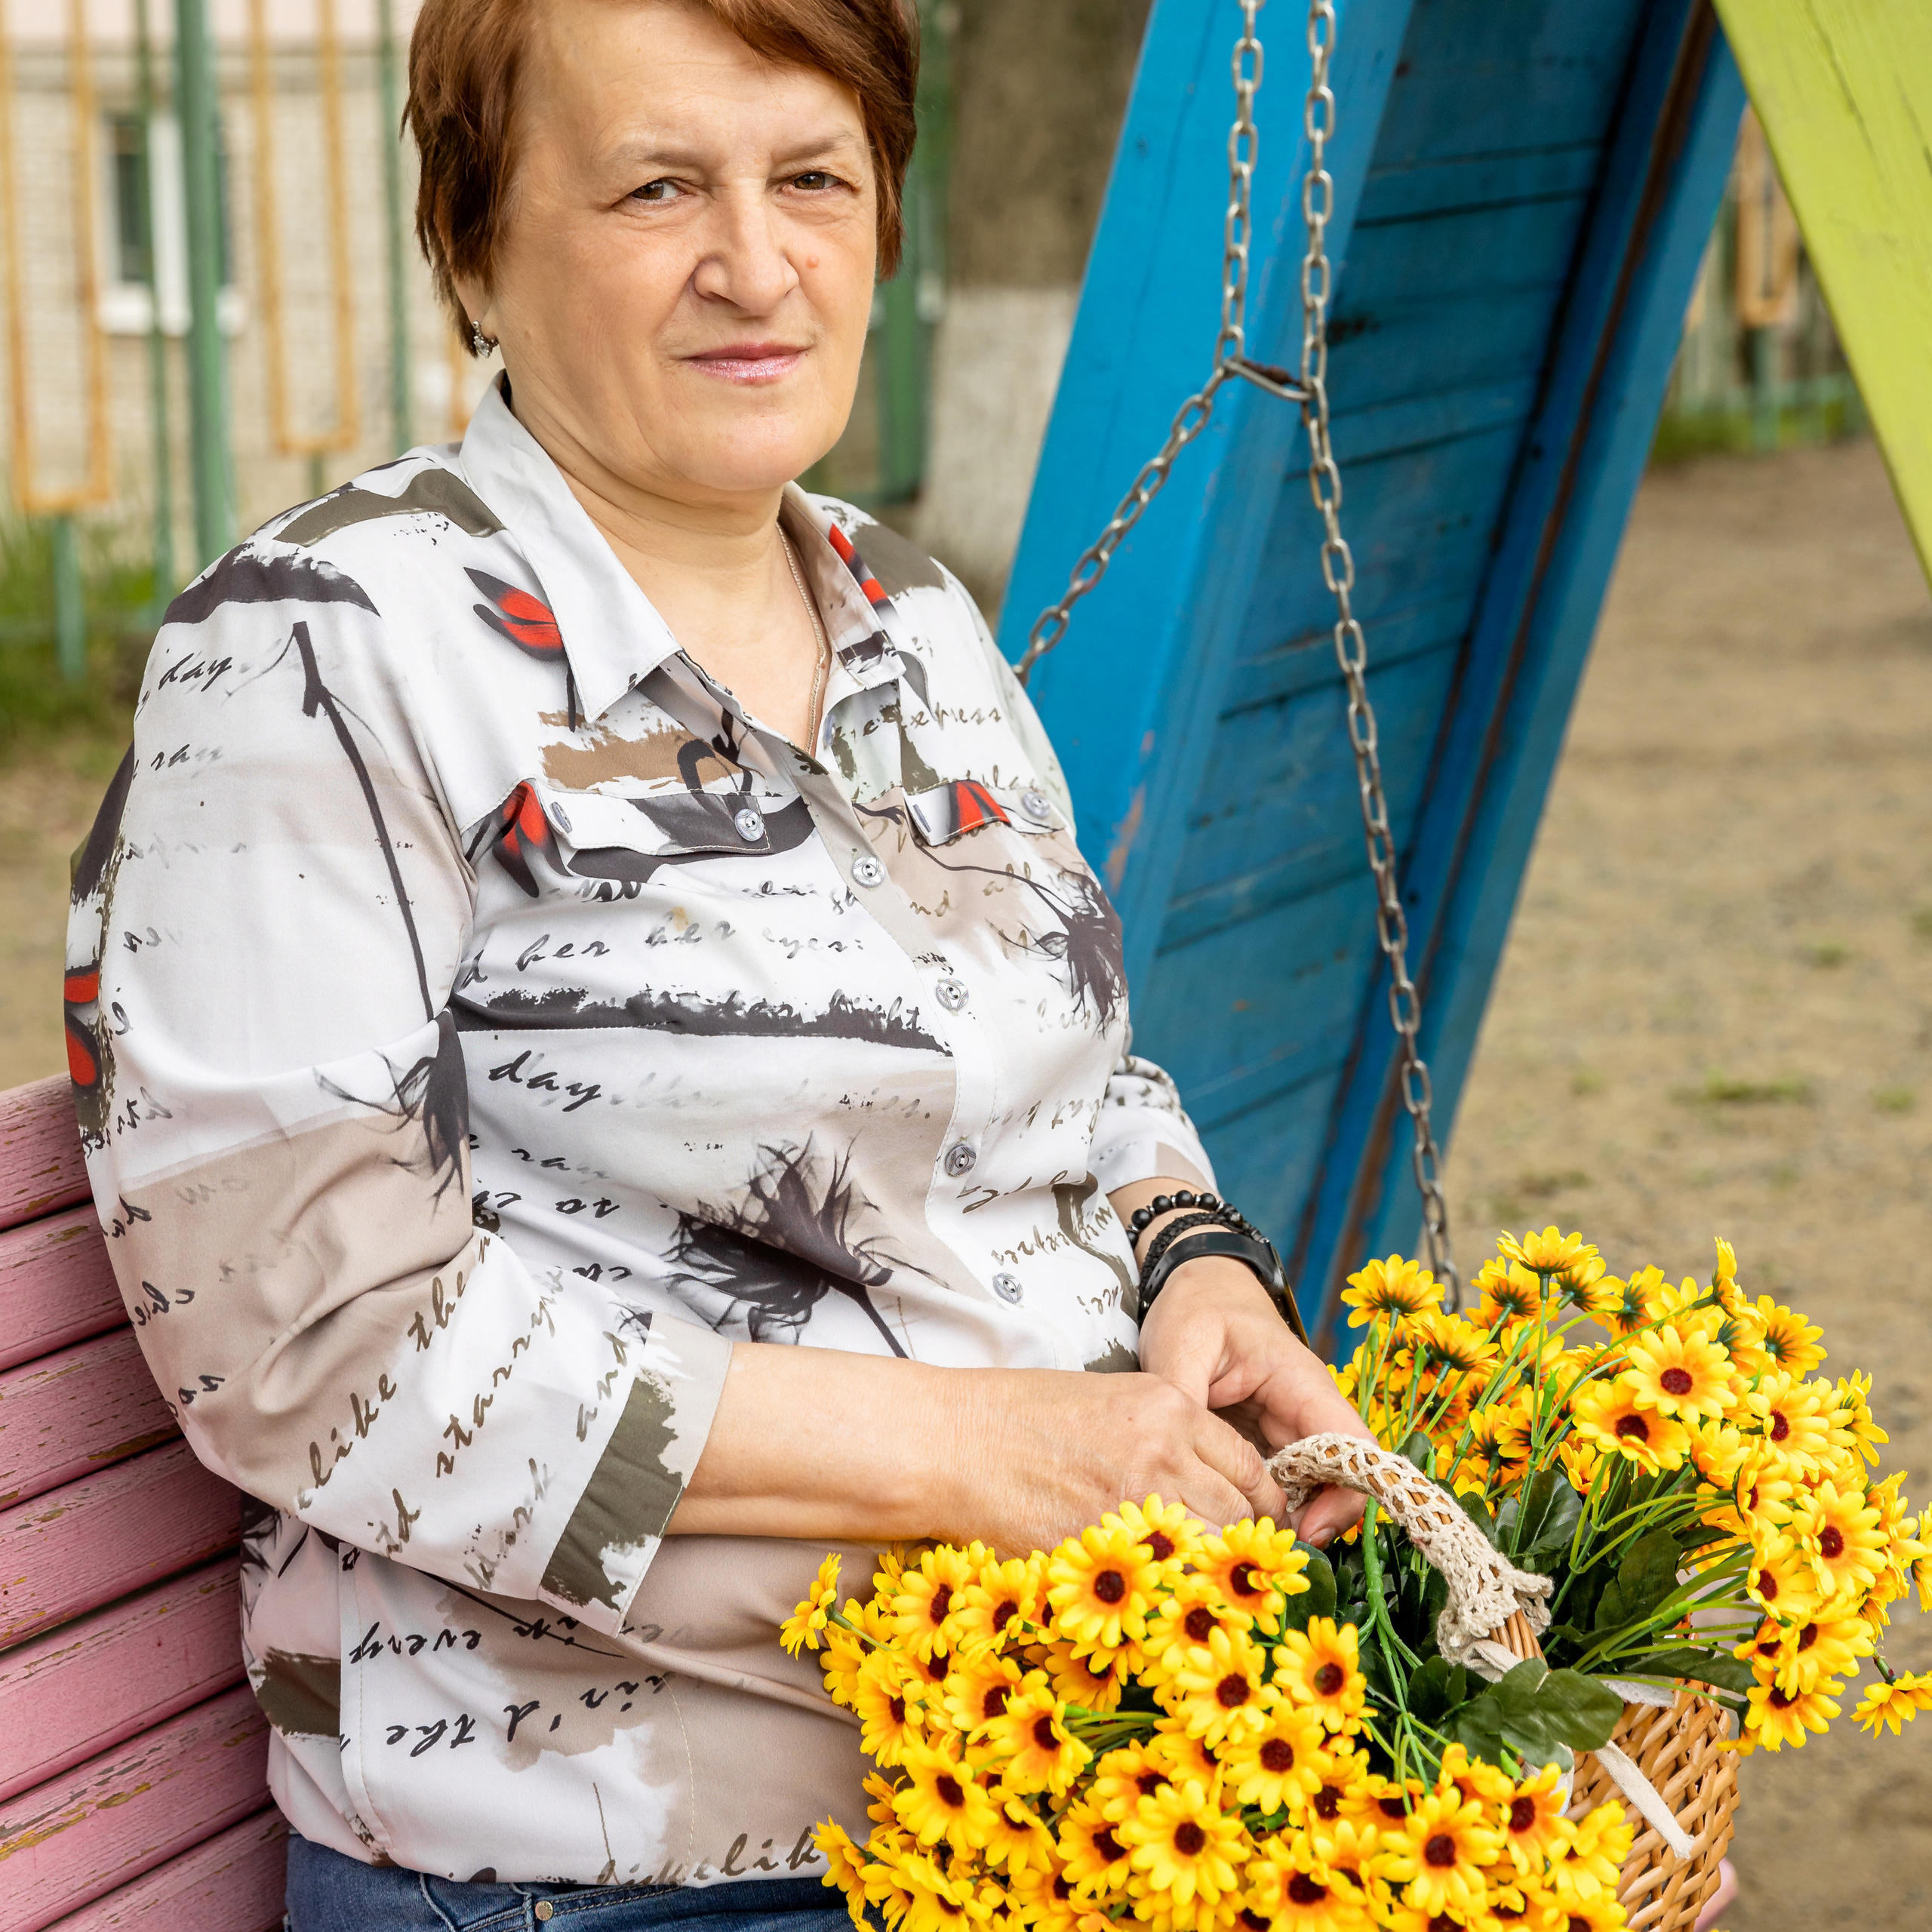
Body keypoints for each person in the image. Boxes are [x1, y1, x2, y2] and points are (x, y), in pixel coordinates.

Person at [64, 2, 1367, 1925]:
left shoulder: (906, 612)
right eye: (656, 185)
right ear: (474, 246)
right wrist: (989, 1457)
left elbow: (1075, 1068)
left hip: (1065, 1775)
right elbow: (311, 1343)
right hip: (627, 1847)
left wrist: (1191, 1265)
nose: (755, 265)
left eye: (813, 180)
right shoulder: (324, 650)